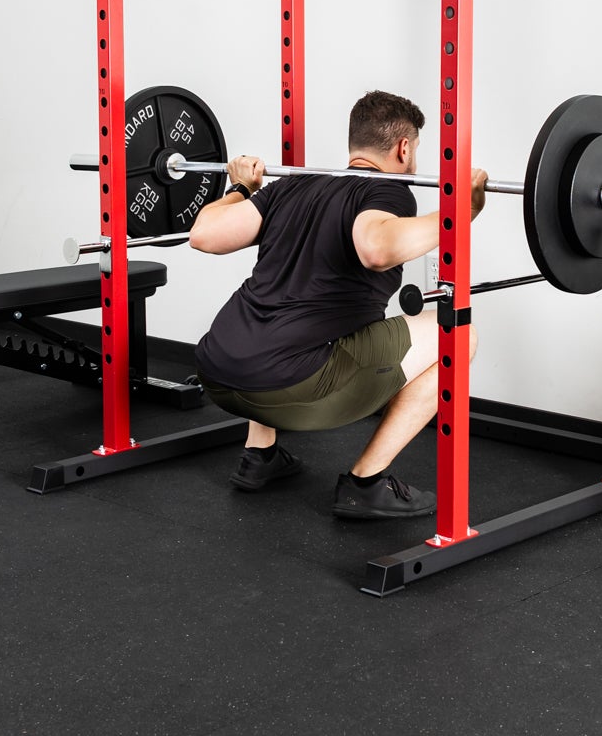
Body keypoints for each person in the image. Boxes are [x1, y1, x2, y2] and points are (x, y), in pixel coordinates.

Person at [187, 90, 487, 519]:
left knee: (284, 316)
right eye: (416, 149)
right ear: (403, 148)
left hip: (217, 370)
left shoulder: (292, 186)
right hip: (291, 387)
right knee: (459, 332)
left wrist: (240, 188)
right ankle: (365, 483)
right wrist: (461, 212)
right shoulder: (389, 190)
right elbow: (375, 248)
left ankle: (260, 458)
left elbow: (204, 234)